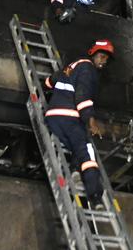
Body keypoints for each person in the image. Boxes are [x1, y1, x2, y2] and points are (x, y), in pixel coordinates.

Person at [45, 39, 114, 206]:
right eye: (101, 56)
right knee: (87, 152)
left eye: (106, 59)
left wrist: (46, 85)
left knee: (78, 144)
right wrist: (91, 120)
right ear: (93, 53)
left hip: (53, 117)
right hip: (69, 116)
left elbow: (52, 80)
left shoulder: (72, 66)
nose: (104, 61)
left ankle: (75, 172)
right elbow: (82, 95)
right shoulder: (88, 69)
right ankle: (95, 196)